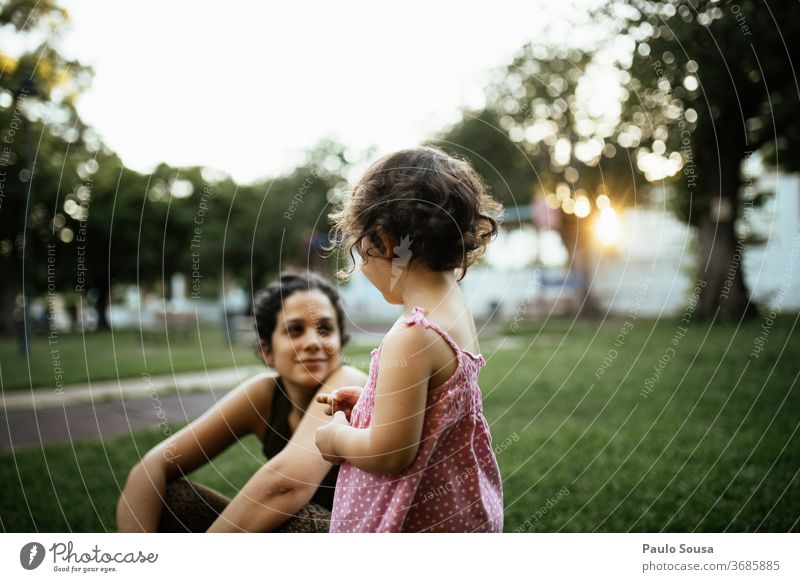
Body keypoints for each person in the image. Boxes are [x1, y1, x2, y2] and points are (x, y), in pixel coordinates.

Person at [315, 146, 505, 532]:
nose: (362, 267)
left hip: (409, 521)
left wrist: (337, 439)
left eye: (361, 253)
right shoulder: (453, 312)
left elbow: (390, 452)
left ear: (384, 242)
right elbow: (435, 404)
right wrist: (372, 401)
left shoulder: (412, 335)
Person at [116, 271, 367, 532]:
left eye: (325, 329)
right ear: (266, 351)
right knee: (169, 499)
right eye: (295, 330)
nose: (313, 342)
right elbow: (153, 466)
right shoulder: (264, 395)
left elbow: (286, 485)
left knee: (297, 520)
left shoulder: (348, 384)